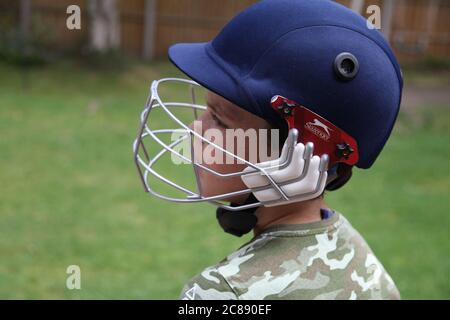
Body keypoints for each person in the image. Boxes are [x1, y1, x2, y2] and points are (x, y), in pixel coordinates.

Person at [133, 0, 403, 300]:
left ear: (301, 154)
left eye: (220, 121)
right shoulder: (367, 268)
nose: (195, 129)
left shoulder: (223, 292)